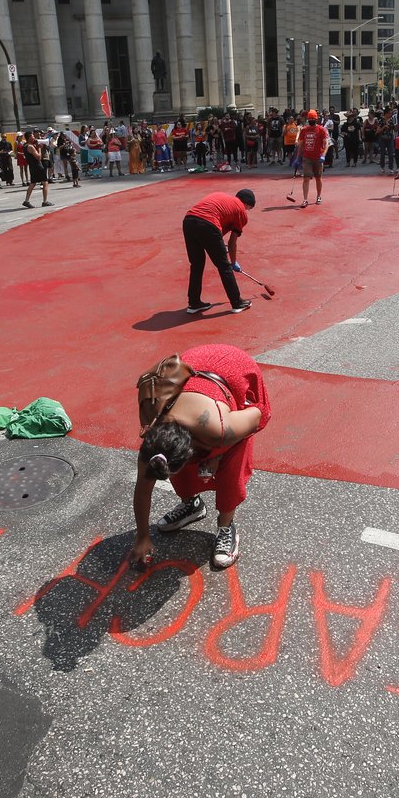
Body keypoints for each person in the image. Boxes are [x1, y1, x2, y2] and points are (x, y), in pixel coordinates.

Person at [130, 343, 272, 570]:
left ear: (192, 451)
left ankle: (226, 526)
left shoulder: (220, 429)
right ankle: (192, 504)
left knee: (229, 471)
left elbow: (260, 414)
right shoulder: (153, 435)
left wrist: (220, 452)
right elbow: (142, 488)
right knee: (180, 470)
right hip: (191, 372)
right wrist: (142, 537)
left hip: (231, 367)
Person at [183, 189, 255, 315]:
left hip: (189, 221)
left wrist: (218, 246)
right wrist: (233, 262)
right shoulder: (241, 211)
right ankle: (237, 302)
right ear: (247, 204)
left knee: (197, 265)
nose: (247, 211)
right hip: (208, 224)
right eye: (249, 208)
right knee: (224, 266)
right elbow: (232, 242)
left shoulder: (221, 197)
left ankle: (194, 303)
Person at [295, 109, 330, 207]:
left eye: (313, 118)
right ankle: (305, 199)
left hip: (318, 157)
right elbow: (301, 145)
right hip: (307, 158)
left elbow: (326, 144)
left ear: (316, 119)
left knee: (318, 178)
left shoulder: (321, 129)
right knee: (306, 178)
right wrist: (298, 158)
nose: (311, 120)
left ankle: (319, 196)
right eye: (309, 118)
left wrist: (323, 155)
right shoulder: (304, 130)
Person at [22, 132, 51, 208]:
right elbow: (38, 157)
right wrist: (39, 148)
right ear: (29, 138)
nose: (34, 138)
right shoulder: (30, 146)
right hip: (37, 166)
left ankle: (26, 200)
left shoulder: (25, 146)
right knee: (45, 182)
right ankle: (45, 201)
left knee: (33, 183)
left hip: (32, 166)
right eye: (32, 136)